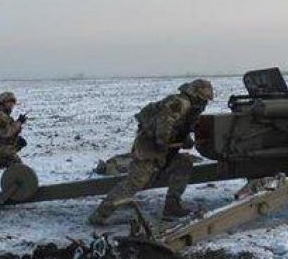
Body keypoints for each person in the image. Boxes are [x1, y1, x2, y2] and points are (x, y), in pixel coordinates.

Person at [88, 79, 214, 225]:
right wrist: (164, 148)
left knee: (183, 164)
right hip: (149, 147)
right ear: (196, 95)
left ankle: (171, 207)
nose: (204, 103)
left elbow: (179, 127)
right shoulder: (179, 103)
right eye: (203, 99)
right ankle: (100, 215)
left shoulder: (188, 107)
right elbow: (164, 127)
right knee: (135, 182)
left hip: (162, 146)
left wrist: (184, 140)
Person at [0, 92, 27, 168]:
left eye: (13, 102)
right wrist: (19, 122)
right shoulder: (0, 115)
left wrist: (18, 123)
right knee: (18, 167)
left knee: (20, 141)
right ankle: (0, 159)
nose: (11, 104)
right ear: (3, 102)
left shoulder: (1, 113)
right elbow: (6, 132)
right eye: (9, 102)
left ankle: (0, 159)